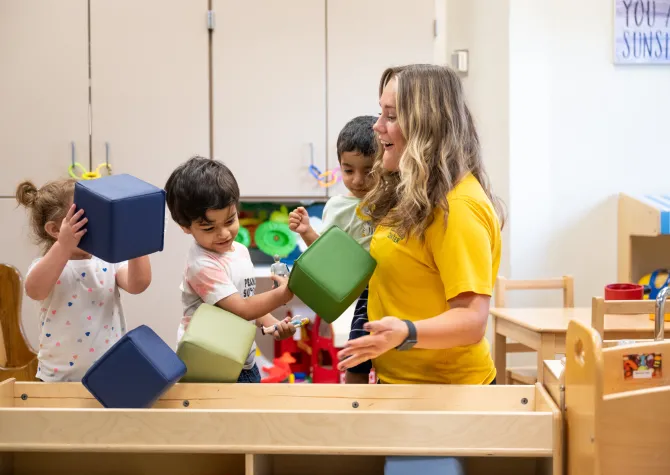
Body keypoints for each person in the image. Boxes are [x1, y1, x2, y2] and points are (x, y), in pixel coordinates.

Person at [337, 64, 505, 388]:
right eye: (380, 113)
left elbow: (471, 320)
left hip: (448, 393)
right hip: (403, 382)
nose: (377, 126)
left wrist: (406, 333)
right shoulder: (416, 192)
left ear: (425, 127)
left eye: (391, 116)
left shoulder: (457, 208)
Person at [165, 156, 296, 383]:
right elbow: (242, 309)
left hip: (241, 359)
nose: (224, 233)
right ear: (186, 227)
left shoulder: (239, 251)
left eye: (230, 220)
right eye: (209, 227)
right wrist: (284, 293)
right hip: (209, 367)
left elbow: (245, 299)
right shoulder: (202, 265)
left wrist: (271, 323)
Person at [17, 178, 152, 382]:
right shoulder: (46, 266)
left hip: (109, 374)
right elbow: (35, 290)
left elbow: (138, 284)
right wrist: (64, 246)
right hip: (57, 378)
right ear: (55, 230)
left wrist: (135, 241)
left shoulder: (109, 261)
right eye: (83, 220)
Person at [288, 115, 377, 384]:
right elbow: (325, 255)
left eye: (369, 171)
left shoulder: (394, 201)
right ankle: (353, 410)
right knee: (357, 357)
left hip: (396, 291)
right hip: (366, 295)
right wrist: (306, 232)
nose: (358, 180)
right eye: (349, 171)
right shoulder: (337, 206)